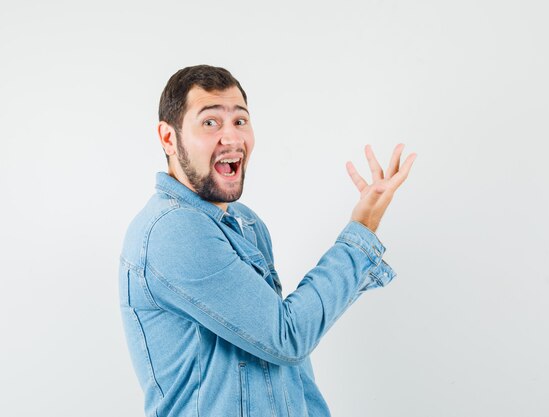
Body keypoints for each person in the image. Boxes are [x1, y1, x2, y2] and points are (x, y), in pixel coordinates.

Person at [119, 64, 416, 417]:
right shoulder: (172, 230)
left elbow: (285, 369)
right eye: (210, 122)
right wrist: (361, 232)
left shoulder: (246, 224)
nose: (231, 137)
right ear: (169, 138)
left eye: (240, 121)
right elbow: (286, 337)